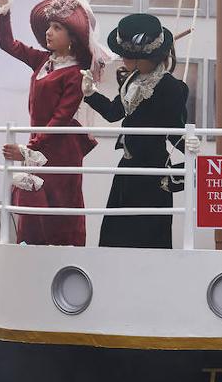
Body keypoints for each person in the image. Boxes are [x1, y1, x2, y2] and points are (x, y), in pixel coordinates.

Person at [0, 0, 107, 246]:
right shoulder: (44, 61)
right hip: (41, 143)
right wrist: (3, 6)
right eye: (48, 27)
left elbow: (61, 118)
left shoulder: (76, 74)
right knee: (33, 212)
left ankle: (63, 260)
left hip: (61, 148)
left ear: (73, 38)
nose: (48, 33)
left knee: (57, 211)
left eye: (56, 28)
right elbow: (8, 44)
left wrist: (28, 150)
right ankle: (31, 259)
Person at [81, 13, 190, 249]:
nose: (121, 58)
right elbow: (114, 113)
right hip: (127, 170)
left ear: (143, 56)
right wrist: (90, 95)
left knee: (148, 236)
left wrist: (192, 147)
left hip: (152, 174)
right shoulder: (132, 81)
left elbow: (175, 131)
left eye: (125, 54)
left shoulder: (172, 88)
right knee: (115, 233)